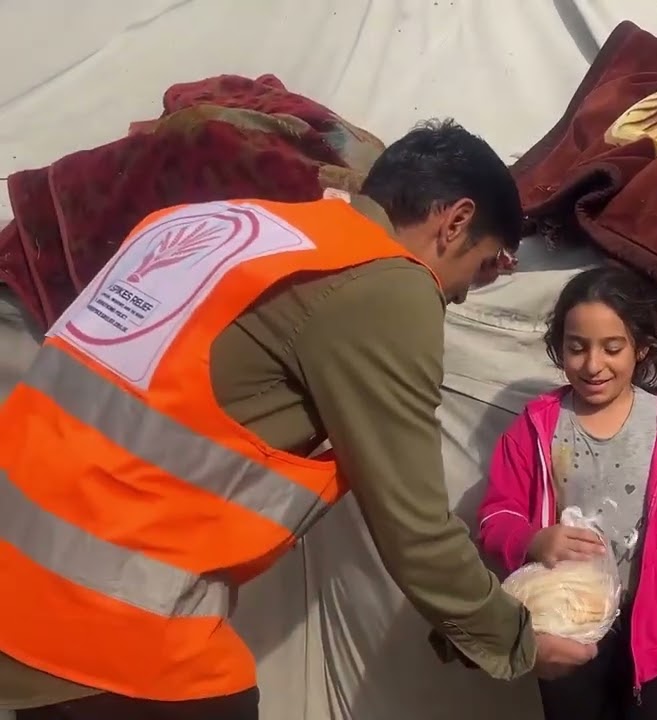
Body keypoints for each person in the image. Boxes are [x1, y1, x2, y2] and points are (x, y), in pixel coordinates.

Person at [0, 119, 596, 719]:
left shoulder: (210, 224)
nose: (464, 293)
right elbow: (413, 527)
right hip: (105, 618)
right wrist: (514, 637)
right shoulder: (385, 283)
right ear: (456, 221)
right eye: (484, 265)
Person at [475, 267, 657, 720]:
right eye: (577, 348)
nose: (593, 365)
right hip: (568, 627)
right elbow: (495, 518)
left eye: (612, 348)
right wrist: (533, 540)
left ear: (641, 348)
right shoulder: (536, 429)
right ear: (559, 347)